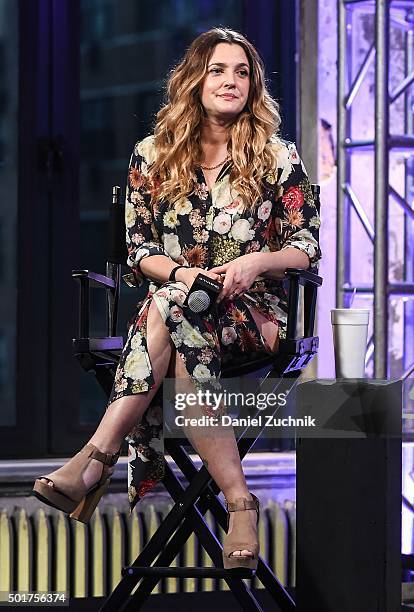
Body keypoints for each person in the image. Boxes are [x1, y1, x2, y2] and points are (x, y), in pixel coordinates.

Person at [33, 28, 321, 570]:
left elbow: (306, 246)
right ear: (195, 78)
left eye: (242, 72)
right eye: (218, 69)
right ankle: (241, 504)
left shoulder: (279, 157)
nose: (231, 80)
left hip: (253, 313)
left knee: (165, 309)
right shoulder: (153, 155)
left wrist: (257, 261)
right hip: (182, 310)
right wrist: (185, 276)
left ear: (254, 86)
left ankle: (95, 457)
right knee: (175, 310)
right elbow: (138, 249)